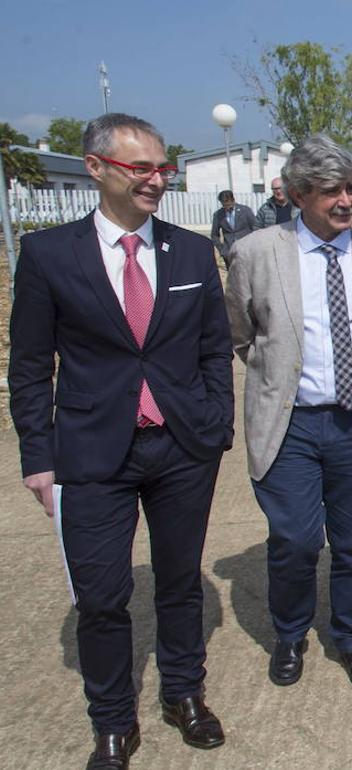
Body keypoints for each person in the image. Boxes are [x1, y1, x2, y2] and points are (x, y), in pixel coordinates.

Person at [9, 112, 233, 768]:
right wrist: (37, 456)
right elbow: (29, 366)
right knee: (102, 595)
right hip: (91, 453)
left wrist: (215, 421)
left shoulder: (191, 252)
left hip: (181, 447)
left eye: (163, 167)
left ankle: (183, 695)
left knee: (179, 581)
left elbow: (215, 348)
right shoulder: (48, 255)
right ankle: (112, 720)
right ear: (96, 167)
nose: (156, 180)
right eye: (141, 168)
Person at [225, 135, 352, 692]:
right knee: (296, 541)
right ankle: (290, 632)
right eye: (332, 191)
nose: (347, 201)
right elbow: (240, 334)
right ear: (299, 194)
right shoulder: (256, 253)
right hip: (292, 426)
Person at [210, 189, 258, 268]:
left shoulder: (245, 211)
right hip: (229, 252)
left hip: (247, 250)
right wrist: (222, 250)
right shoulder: (218, 215)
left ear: (233, 200)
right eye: (223, 204)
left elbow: (255, 228)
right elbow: (214, 235)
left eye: (228, 203)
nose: (226, 206)